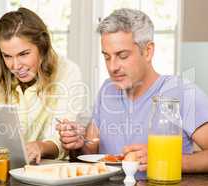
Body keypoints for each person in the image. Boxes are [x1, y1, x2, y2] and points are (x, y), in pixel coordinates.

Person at [57, 8, 208, 173]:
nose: (112, 67)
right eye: (107, 57)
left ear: (148, 51)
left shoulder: (181, 92)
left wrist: (165, 160)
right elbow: (91, 150)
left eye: (122, 56)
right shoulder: (108, 89)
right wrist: (77, 143)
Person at [0, 7, 84, 163]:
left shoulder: (68, 72)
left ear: (42, 47)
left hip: (48, 171)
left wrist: (40, 146)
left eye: (24, 54)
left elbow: (62, 139)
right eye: (7, 56)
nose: (15, 66)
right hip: (6, 166)